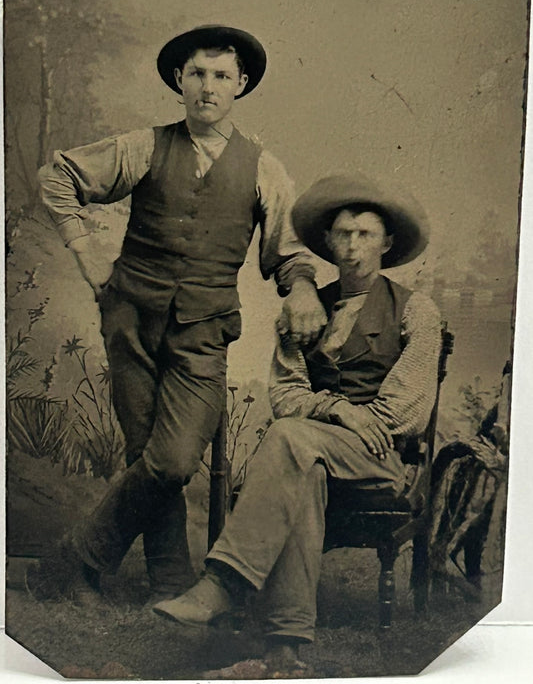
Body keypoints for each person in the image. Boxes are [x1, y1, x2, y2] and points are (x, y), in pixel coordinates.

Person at [34, 25, 325, 603]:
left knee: (170, 462)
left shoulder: (265, 168)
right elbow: (57, 176)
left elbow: (288, 253)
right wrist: (86, 248)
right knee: (146, 454)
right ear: (179, 81)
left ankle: (74, 558)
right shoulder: (145, 145)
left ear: (240, 85)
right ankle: (169, 582)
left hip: (204, 334)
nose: (208, 88)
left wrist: (304, 291)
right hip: (130, 321)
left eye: (221, 76)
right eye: (197, 74)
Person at [153, 172, 442, 674]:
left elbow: (404, 417)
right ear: (327, 243)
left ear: (387, 243)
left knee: (292, 441)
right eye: (342, 234)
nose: (352, 247)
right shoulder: (305, 311)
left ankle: (222, 584)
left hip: (381, 462)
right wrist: (337, 408)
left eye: (365, 234)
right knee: (301, 465)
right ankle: (285, 647)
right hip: (313, 453)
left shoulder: (416, 310)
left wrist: (340, 417)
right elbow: (285, 397)